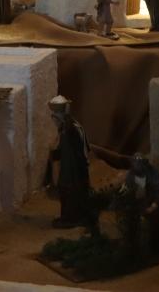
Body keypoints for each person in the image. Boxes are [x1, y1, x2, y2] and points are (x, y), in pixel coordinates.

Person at [47, 95, 92, 229]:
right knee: (67, 190)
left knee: (72, 190)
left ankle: (73, 218)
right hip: (69, 167)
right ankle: (67, 216)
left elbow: (81, 150)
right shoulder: (66, 128)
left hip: (74, 168)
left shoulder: (72, 129)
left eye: (54, 117)